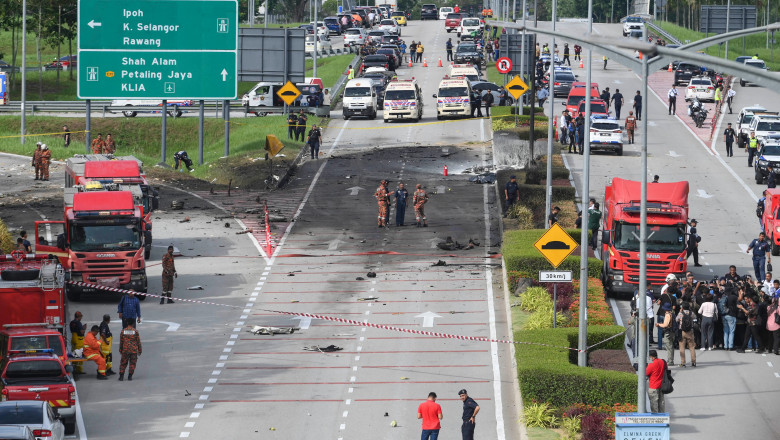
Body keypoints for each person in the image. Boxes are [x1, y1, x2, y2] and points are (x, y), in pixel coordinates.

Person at [677, 302, 697, 367]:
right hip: (690, 331)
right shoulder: (692, 313)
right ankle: (693, 362)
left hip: (682, 331)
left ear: (682, 307)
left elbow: (676, 319)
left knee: (682, 347)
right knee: (692, 347)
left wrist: (680, 312)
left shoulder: (681, 314)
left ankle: (683, 362)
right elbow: (695, 318)